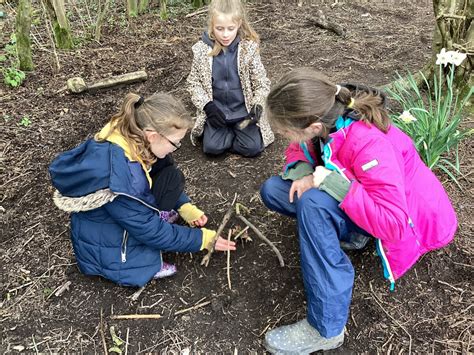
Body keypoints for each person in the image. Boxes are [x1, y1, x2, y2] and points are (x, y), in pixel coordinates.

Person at [260, 68, 457, 353]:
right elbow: (299, 148)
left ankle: (326, 328)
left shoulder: (368, 143)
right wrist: (305, 172)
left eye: (285, 131)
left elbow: (394, 224)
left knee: (312, 204)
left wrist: (330, 183)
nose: (282, 136)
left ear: (314, 126)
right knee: (274, 190)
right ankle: (353, 234)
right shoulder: (327, 113)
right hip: (364, 198)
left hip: (413, 223)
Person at [49, 92, 236, 287]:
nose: (176, 148)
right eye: (175, 143)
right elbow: (152, 232)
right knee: (145, 249)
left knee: (170, 174)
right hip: (107, 249)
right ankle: (141, 264)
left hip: (124, 214)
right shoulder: (122, 180)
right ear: (153, 136)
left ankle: (154, 218)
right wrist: (202, 239)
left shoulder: (135, 139)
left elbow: (162, 175)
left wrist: (184, 206)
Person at [186, 0, 274, 157]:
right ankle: (224, 132)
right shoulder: (201, 50)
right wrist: (208, 106)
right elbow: (193, 83)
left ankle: (234, 133)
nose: (225, 34)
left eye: (230, 29)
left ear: (239, 24)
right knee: (212, 149)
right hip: (217, 113)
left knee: (253, 148)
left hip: (243, 113)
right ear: (212, 25)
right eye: (219, 29)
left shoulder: (248, 49)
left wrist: (258, 105)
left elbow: (262, 83)